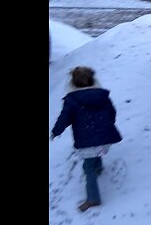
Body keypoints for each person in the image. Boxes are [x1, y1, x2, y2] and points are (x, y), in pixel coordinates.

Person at [51, 66, 123, 211]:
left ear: (73, 83)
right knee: (98, 149)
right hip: (105, 137)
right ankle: (99, 167)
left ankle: (93, 199)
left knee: (87, 167)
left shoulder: (71, 100)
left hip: (86, 139)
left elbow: (64, 119)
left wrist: (54, 132)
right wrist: (109, 123)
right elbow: (112, 112)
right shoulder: (102, 96)